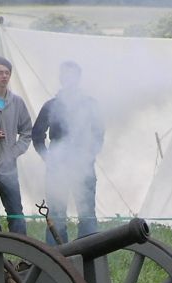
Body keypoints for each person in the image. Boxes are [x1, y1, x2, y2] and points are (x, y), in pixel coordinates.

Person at [32, 60, 105, 244]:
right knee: (56, 213)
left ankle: (89, 254)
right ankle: (56, 257)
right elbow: (37, 134)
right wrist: (48, 158)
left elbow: (99, 133)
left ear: (78, 78)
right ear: (61, 78)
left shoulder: (90, 104)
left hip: (83, 166)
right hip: (58, 167)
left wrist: (89, 155)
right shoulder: (51, 106)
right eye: (66, 75)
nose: (69, 79)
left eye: (73, 75)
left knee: (87, 213)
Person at [0, 56, 32, 235]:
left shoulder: (17, 102)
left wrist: (13, 152)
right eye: (0, 73)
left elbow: (27, 132)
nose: (4, 76)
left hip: (8, 167)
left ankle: (23, 252)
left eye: (7, 73)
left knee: (16, 212)